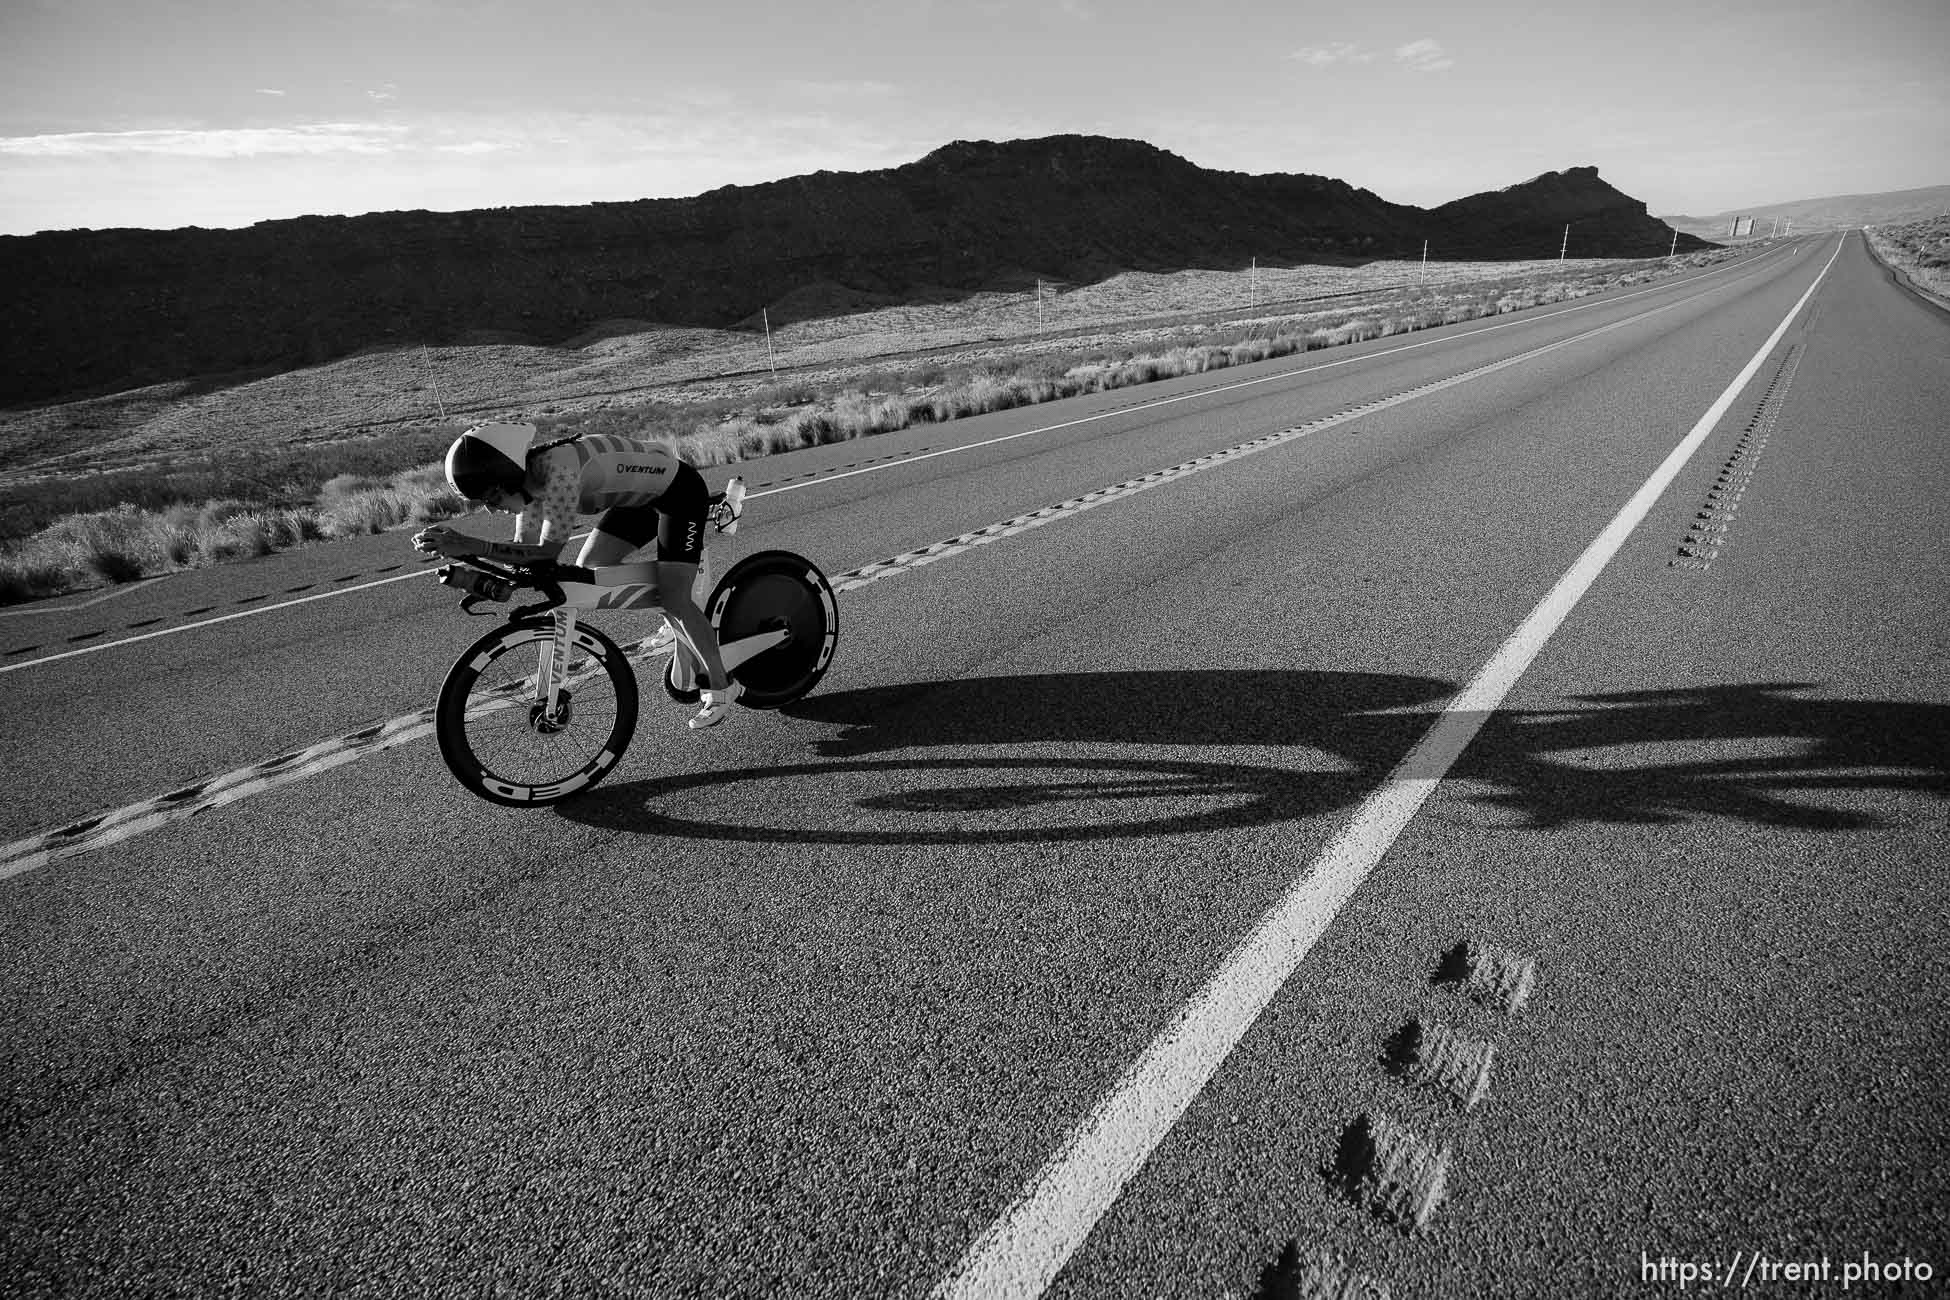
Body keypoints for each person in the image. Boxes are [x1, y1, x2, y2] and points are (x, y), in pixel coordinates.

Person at [413, 421, 740, 730]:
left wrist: (471, 544)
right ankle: (677, 617)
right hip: (638, 498)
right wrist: (469, 560)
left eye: (492, 497)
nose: (492, 509)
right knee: (591, 569)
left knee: (674, 597)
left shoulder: (560, 475)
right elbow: (522, 552)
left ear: (509, 477)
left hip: (678, 494)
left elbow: (544, 554)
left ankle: (722, 687)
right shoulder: (530, 483)